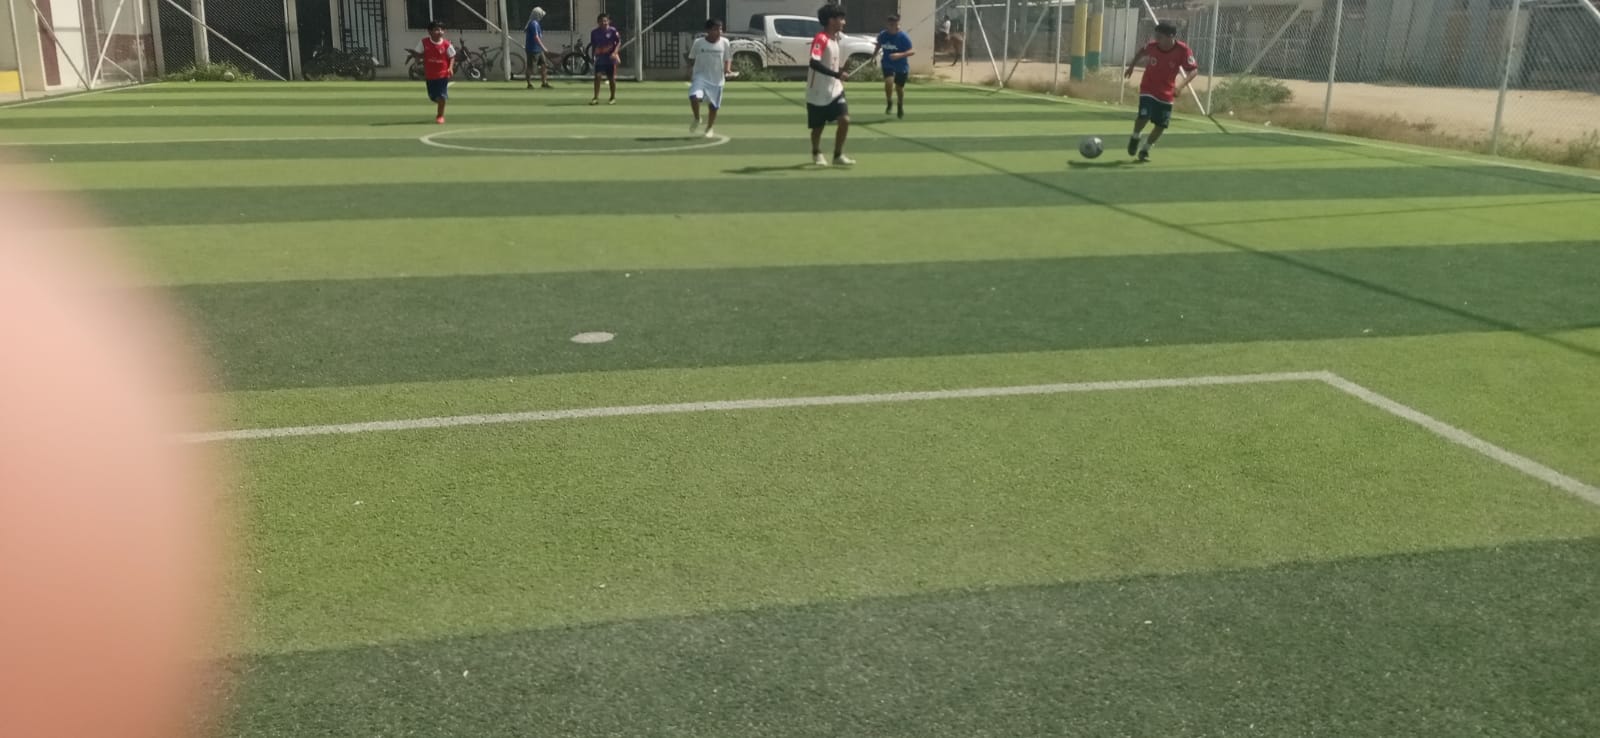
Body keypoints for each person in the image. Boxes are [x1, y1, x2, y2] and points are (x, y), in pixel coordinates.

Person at [1122, 21, 1198, 163]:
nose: (1156, 39)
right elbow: (1141, 52)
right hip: (1148, 88)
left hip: (1166, 92)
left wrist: (1180, 86)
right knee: (1144, 116)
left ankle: (1145, 149)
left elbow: (1193, 71)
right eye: (1156, 36)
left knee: (1161, 125)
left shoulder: (1182, 50)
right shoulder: (1153, 47)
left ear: (1171, 36)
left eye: (1160, 37)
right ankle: (1135, 136)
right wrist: (1131, 66)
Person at [806, 3, 853, 166]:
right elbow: (814, 63)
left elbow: (831, 65)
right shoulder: (821, 38)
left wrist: (840, 72)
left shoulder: (835, 40)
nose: (844, 22)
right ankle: (816, 152)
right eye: (841, 18)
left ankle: (837, 155)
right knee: (818, 128)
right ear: (831, 20)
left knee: (845, 119)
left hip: (836, 90)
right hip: (818, 91)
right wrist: (836, 74)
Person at [688, 18, 733, 138]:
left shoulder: (725, 42)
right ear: (708, 30)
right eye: (715, 29)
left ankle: (709, 128)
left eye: (720, 29)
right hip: (700, 77)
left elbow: (728, 58)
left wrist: (727, 69)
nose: (719, 32)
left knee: (713, 107)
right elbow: (691, 58)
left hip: (717, 80)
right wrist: (690, 72)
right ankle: (697, 118)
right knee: (693, 97)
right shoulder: (698, 42)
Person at [415, 21, 457, 124]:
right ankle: (439, 101)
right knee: (433, 97)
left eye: (442, 29)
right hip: (430, 75)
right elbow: (417, 53)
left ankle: (440, 116)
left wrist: (450, 68)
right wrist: (418, 60)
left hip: (442, 75)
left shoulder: (446, 44)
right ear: (430, 32)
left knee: (441, 97)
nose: (440, 32)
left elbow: (452, 56)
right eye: (437, 29)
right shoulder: (424, 42)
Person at [874, 14, 914, 118]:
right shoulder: (883, 35)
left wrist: (899, 55)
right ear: (887, 25)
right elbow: (879, 44)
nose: (893, 27)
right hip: (887, 63)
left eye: (895, 24)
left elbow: (912, 51)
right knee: (889, 82)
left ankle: (900, 104)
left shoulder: (903, 37)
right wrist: (874, 55)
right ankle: (889, 101)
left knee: (899, 88)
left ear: (898, 24)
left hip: (901, 65)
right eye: (890, 24)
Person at [589, 13, 622, 105]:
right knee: (597, 76)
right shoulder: (594, 32)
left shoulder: (613, 31)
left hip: (610, 58)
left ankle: (612, 97)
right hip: (600, 58)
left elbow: (618, 42)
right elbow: (594, 45)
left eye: (605, 21)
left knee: (611, 78)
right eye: (601, 21)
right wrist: (593, 56)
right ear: (598, 22)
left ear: (608, 21)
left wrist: (615, 53)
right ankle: (595, 97)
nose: (603, 23)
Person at [524, 6, 551, 89]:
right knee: (530, 67)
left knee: (544, 64)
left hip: (538, 49)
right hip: (532, 49)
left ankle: (544, 82)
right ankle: (529, 83)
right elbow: (536, 37)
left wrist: (541, 48)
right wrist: (543, 47)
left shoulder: (536, 23)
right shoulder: (533, 24)